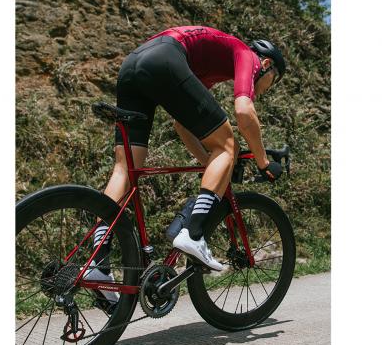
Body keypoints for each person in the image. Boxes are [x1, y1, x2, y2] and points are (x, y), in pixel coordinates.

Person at [85, 26, 286, 294]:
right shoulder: (247, 55)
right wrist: (263, 162)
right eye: (273, 81)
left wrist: (210, 162)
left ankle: (97, 261)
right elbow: (244, 111)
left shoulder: (210, 68)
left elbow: (182, 125)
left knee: (124, 169)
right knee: (229, 145)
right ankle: (193, 234)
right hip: (165, 56)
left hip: (133, 63)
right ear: (267, 65)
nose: (268, 88)